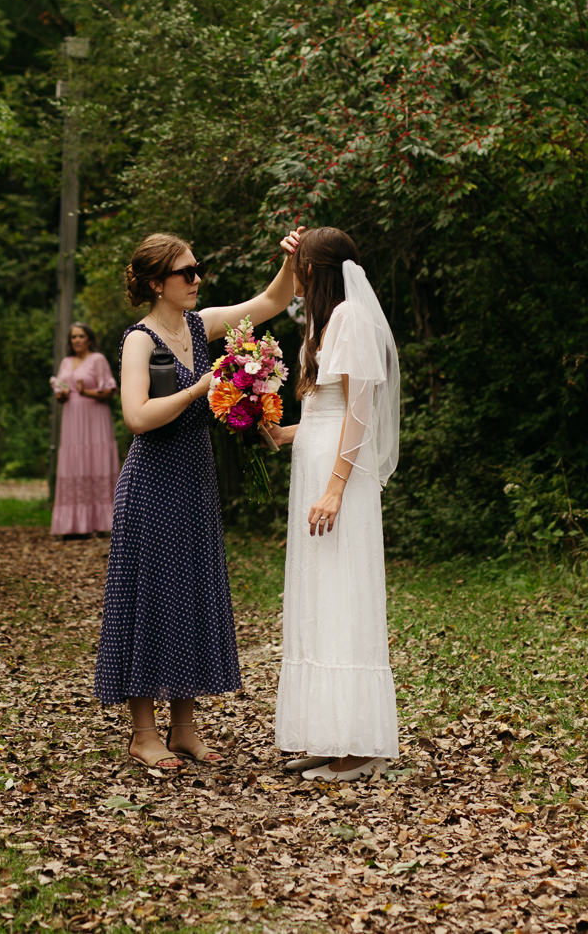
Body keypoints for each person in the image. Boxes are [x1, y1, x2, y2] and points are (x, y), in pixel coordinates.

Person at [96, 225, 304, 771]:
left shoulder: (200, 323)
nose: (196, 278)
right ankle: (144, 733)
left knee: (189, 592)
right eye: (185, 272)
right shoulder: (140, 339)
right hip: (152, 481)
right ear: (156, 282)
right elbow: (138, 417)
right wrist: (201, 387)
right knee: (150, 599)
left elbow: (271, 302)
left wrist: (288, 259)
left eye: (197, 269)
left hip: (194, 477)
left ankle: (183, 727)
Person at [260, 227, 400, 783]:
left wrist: (337, 485)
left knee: (343, 591)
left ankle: (360, 744)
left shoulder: (351, 320)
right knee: (318, 594)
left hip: (340, 477)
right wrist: (279, 431)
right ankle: (328, 731)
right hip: (316, 466)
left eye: (298, 268)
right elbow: (325, 412)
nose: (294, 277)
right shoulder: (322, 323)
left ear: (315, 271)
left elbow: (359, 412)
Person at [51, 322, 120, 539]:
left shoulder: (97, 360)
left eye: (81, 336)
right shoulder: (65, 362)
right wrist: (60, 395)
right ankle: (73, 526)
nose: (77, 340)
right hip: (72, 418)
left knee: (95, 460)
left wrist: (86, 392)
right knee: (74, 463)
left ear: (89, 338)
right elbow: (60, 392)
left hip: (95, 417)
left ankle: (102, 523)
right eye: (73, 337)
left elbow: (110, 392)